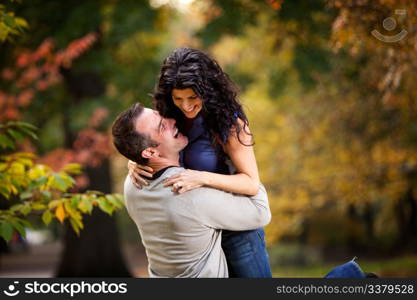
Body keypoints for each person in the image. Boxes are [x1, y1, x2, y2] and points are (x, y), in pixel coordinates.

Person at [128, 47, 272, 277]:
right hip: (198, 236)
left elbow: (251, 183)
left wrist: (202, 178)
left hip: (237, 231)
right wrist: (135, 161)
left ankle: (347, 276)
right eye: (178, 98)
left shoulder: (230, 124)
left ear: (208, 91)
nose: (185, 106)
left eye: (193, 97)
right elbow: (152, 147)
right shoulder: (169, 116)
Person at [112, 103, 271, 278]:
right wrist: (238, 159)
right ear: (150, 152)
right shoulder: (188, 191)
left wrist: (134, 160)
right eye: (162, 126)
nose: (172, 120)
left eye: (161, 115)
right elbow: (260, 211)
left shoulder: (131, 185)